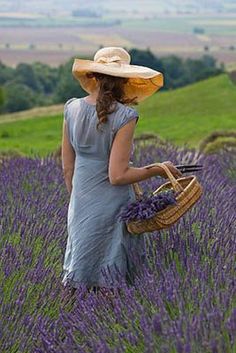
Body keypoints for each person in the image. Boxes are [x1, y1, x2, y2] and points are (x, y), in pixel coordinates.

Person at [60, 47, 182, 305]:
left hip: (81, 199)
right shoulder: (125, 116)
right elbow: (117, 175)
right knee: (110, 274)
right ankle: (110, 325)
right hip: (111, 202)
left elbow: (67, 167)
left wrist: (77, 200)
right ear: (125, 81)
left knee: (79, 267)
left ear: (92, 76)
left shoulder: (71, 109)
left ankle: (66, 324)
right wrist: (159, 169)